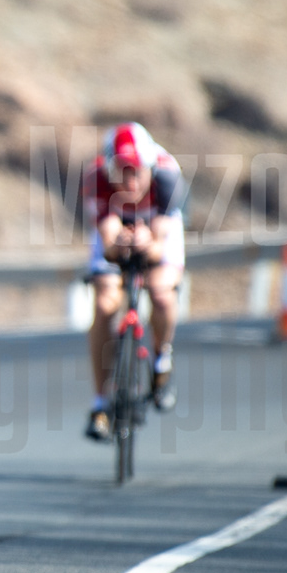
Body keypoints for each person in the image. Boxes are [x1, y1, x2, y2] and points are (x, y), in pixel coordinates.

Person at [84, 121, 184, 442]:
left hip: (155, 228)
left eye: (136, 172)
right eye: (121, 171)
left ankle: (161, 360)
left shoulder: (167, 175)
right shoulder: (96, 178)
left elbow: (159, 246)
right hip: (118, 230)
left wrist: (146, 243)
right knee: (105, 304)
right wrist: (120, 244)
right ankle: (100, 403)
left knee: (161, 292)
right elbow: (108, 244)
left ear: (149, 167)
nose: (129, 181)